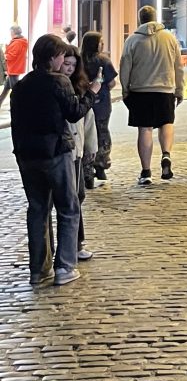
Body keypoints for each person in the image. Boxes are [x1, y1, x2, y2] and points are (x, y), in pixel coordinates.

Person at [10, 33, 95, 287]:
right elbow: (74, 113)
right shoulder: (59, 82)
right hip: (55, 152)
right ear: (52, 57)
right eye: (60, 56)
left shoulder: (22, 85)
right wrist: (92, 94)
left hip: (27, 155)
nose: (63, 60)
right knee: (68, 208)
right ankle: (65, 267)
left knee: (38, 210)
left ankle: (38, 270)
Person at [119, 5, 184, 186]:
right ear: (156, 17)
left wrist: (125, 89)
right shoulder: (170, 38)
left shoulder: (132, 40)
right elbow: (178, 66)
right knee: (166, 123)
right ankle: (166, 155)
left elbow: (125, 66)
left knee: (145, 129)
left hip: (140, 91)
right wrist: (179, 89)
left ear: (140, 19)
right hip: (165, 89)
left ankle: (146, 171)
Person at [60, 45, 97, 262]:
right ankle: (71, 247)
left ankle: (77, 243)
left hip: (78, 149)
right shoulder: (58, 87)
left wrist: (90, 148)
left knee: (78, 196)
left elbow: (87, 121)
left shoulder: (78, 87)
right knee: (71, 200)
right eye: (66, 64)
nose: (69, 69)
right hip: (65, 150)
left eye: (73, 65)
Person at [80, 31, 118, 184]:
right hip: (101, 104)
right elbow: (111, 83)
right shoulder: (103, 60)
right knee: (102, 133)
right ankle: (101, 165)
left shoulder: (79, 60)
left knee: (84, 135)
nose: (102, 44)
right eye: (101, 41)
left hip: (83, 104)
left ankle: (86, 168)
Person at [0, 24, 28, 109]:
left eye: (10, 32)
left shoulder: (17, 42)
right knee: (6, 88)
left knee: (16, 91)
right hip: (16, 67)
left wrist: (4, 56)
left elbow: (12, 55)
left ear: (13, 32)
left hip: (13, 68)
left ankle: (18, 106)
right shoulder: (22, 41)